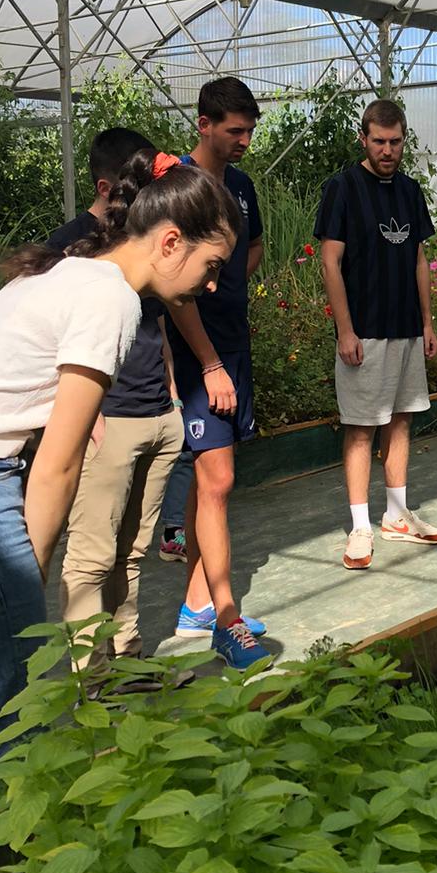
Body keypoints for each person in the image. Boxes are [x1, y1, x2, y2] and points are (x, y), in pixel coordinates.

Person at [0, 151, 239, 805]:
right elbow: (59, 463)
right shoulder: (111, 300)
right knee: (7, 744)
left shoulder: (70, 273)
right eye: (212, 266)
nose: (211, 285)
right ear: (171, 241)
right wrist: (21, 579)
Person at [47, 128, 184, 676]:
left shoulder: (144, 242)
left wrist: (171, 393)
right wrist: (85, 416)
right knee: (91, 557)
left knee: (131, 551)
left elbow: (158, 321)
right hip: (107, 422)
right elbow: (49, 341)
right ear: (109, 185)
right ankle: (92, 680)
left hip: (155, 413)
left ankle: (128, 659)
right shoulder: (69, 247)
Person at [164, 77, 269, 665]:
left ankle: (195, 605)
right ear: (202, 124)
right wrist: (207, 364)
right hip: (198, 353)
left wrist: (231, 276)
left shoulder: (243, 185)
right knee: (218, 479)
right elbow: (173, 292)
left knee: (214, 482)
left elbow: (253, 246)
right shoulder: (179, 187)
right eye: (234, 130)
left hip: (234, 343)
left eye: (250, 130)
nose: (244, 141)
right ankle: (222, 617)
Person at [317, 98, 437, 570]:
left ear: (403, 140)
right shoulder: (343, 188)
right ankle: (360, 526)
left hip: (406, 328)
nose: (388, 150)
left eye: (395, 142)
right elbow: (330, 260)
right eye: (379, 142)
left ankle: (396, 515)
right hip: (364, 333)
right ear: (363, 139)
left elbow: (417, 259)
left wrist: (427, 322)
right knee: (360, 428)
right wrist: (344, 330)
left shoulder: (410, 191)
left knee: (402, 419)